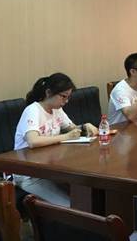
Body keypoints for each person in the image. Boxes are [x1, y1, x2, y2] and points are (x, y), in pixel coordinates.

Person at [14, 73, 98, 207]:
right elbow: (33, 141)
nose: (66, 101)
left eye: (68, 97)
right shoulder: (33, 110)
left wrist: (84, 126)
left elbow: (72, 128)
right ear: (48, 93)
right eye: (63, 96)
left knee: (88, 199)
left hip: (49, 170)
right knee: (72, 206)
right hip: (29, 175)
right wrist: (65, 137)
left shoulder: (57, 110)